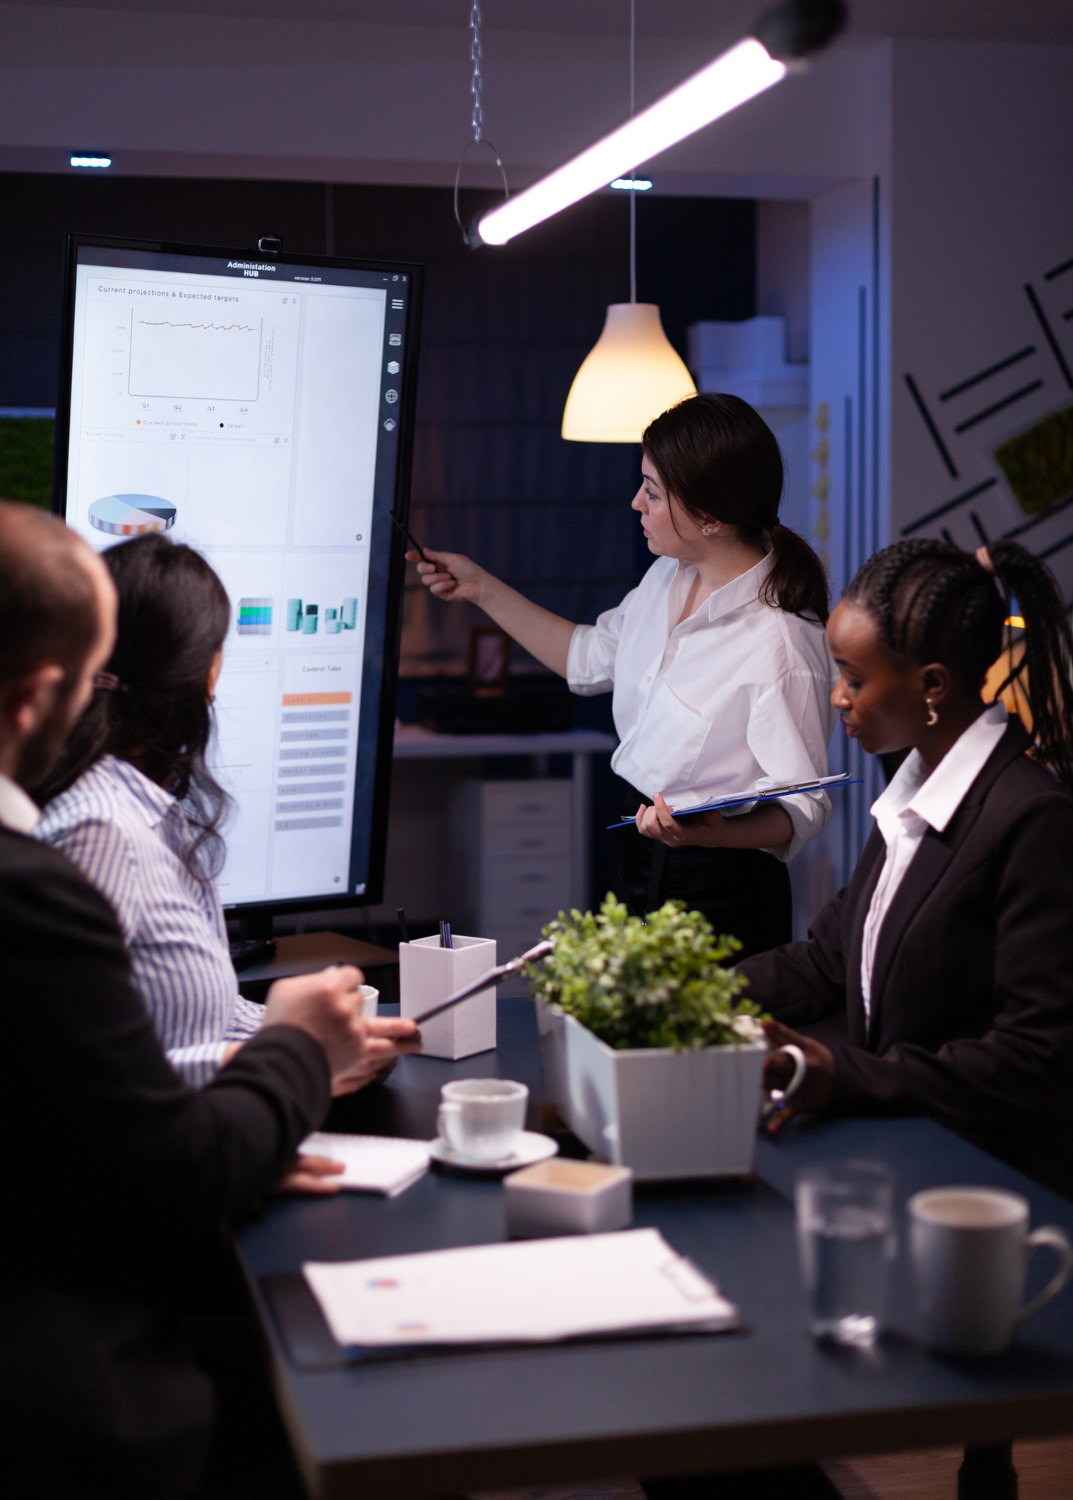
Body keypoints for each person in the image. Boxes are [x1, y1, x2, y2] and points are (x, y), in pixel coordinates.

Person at [0, 501, 419, 1494]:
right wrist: (291, 1054)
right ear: (41, 696)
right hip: (74, 1393)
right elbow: (157, 1164)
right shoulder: (53, 874)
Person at [410, 393, 837, 957]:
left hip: (721, 891)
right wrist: (481, 589)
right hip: (640, 863)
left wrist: (718, 833)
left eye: (653, 492)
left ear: (709, 516)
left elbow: (803, 808)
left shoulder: (781, 641)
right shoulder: (667, 577)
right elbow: (588, 658)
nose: (636, 503)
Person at [747, 537, 1073, 1195]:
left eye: (855, 679)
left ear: (930, 685)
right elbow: (828, 961)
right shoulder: (914, 793)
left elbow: (1032, 1059)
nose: (838, 697)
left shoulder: (1031, 817)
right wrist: (693, 999)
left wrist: (840, 1076)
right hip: (902, 1151)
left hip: (984, 1183)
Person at [36, 533, 385, 1097]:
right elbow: (78, 1080)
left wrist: (327, 1041)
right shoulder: (100, 832)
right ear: (207, 675)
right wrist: (294, 1055)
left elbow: (199, 1019)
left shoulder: (151, 814)